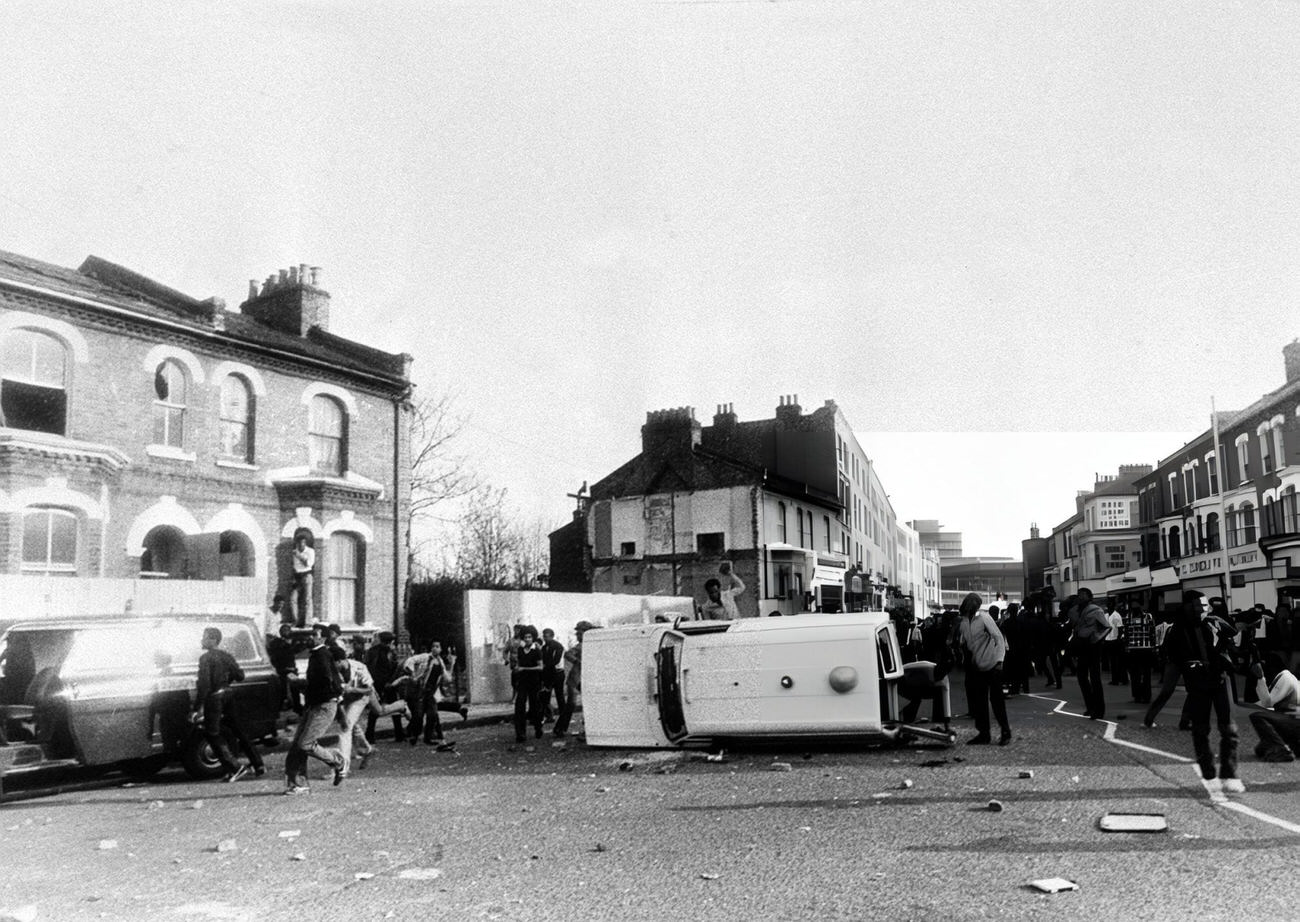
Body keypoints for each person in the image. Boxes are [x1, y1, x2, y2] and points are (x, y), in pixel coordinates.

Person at [1166, 590, 1242, 791]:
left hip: (1220, 679)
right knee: (1201, 729)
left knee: (1229, 728)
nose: (1204, 609)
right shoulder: (1178, 629)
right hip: (1198, 683)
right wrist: (1189, 666)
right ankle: (1209, 775)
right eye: (1199, 605)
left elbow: (1233, 639)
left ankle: (1230, 773)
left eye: (1205, 605)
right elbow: (1171, 654)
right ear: (1188, 607)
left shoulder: (1214, 622)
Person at [193, 627, 263, 782]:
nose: (202, 640)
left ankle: (235, 767)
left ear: (213, 640)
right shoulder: (226, 656)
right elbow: (240, 675)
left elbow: (204, 685)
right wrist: (225, 682)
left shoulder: (205, 658)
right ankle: (258, 764)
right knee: (238, 729)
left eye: (204, 637)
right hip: (228, 695)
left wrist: (196, 708)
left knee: (212, 733)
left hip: (214, 698)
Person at [284, 623, 346, 795]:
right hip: (314, 705)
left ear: (323, 638)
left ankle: (337, 761)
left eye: (314, 634)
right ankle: (298, 783)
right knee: (298, 746)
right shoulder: (316, 654)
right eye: (310, 634)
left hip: (324, 706)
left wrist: (299, 682)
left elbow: (326, 682)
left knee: (305, 744)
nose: (309, 637)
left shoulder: (322, 655)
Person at [957, 592, 1011, 746]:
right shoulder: (964, 623)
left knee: (996, 700)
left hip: (992, 664)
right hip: (977, 666)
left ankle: (1005, 732)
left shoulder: (984, 618)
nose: (971, 606)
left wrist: (1000, 660)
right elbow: (965, 643)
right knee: (980, 701)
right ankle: (984, 734)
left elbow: (998, 638)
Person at [1246, 653, 1300, 763]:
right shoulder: (1285, 677)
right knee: (1260, 750)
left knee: (1257, 716)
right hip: (1293, 722)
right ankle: (1290, 746)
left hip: (1296, 723)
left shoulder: (1285, 677)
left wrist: (1260, 677)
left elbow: (1266, 705)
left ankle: (1283, 751)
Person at [1071, 588, 1110, 720]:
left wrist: (1097, 638)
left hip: (1093, 646)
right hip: (1081, 646)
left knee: (1095, 678)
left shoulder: (1096, 610)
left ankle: (1098, 709)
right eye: (1079, 595)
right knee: (1081, 677)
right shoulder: (1076, 611)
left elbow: (1107, 626)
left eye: (1083, 595)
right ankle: (1090, 706)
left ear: (1089, 596)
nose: (1080, 597)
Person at [554, 621, 595, 738]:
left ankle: (561, 728)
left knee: (583, 705)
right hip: (575, 679)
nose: (577, 635)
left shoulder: (588, 644)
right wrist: (579, 662)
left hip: (583, 679)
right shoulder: (581, 646)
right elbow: (567, 654)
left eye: (579, 633)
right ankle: (560, 728)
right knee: (572, 704)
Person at [364, 631, 405, 743]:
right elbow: (395, 668)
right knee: (394, 708)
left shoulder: (374, 651)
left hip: (381, 683)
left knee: (376, 708)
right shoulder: (389, 652)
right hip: (385, 684)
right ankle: (398, 733)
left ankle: (370, 734)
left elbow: (369, 667)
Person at [513, 627, 544, 743]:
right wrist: (517, 669)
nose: (527, 639)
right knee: (519, 705)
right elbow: (519, 663)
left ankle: (538, 727)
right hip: (522, 681)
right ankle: (520, 733)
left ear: (533, 638)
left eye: (529, 637)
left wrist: (524, 668)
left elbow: (540, 667)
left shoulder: (537, 650)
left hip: (534, 681)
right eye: (525, 637)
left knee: (535, 706)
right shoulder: (521, 650)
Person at [1122, 602, 1156, 704]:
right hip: (1146, 648)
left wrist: (1126, 647)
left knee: (1135, 674)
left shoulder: (1128, 617)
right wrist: (1154, 646)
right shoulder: (1149, 617)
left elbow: (1126, 633)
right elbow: (1152, 631)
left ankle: (1137, 695)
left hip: (1133, 649)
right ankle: (1146, 696)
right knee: (1146, 673)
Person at [267, 623, 300, 713]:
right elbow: (274, 651)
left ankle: (296, 706)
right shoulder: (276, 642)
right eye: (283, 630)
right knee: (282, 689)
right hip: (281, 669)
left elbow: (298, 649)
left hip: (291, 669)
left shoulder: (293, 642)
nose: (285, 632)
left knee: (294, 689)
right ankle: (282, 706)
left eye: (287, 630)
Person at [539, 628, 566, 724]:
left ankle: (563, 717)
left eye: (547, 637)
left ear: (552, 636)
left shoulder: (558, 646)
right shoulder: (544, 647)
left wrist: (545, 666)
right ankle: (549, 715)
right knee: (546, 696)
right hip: (548, 673)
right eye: (544, 637)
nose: (545, 639)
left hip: (557, 673)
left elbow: (556, 661)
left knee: (559, 696)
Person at [289, 534, 315, 627]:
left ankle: (308, 622)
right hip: (297, 576)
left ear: (305, 543)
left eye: (302, 543)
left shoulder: (310, 551)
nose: (300, 545)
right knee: (293, 598)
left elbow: (309, 564)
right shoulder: (294, 552)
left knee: (307, 598)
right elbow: (293, 566)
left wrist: (299, 556)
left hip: (307, 575)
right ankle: (295, 620)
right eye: (298, 543)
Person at [1105, 601, 1127, 686]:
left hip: (1115, 640)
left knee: (1118, 662)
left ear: (1114, 606)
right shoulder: (1106, 615)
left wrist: (1118, 639)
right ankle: (1115, 679)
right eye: (1108, 605)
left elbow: (1120, 629)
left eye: (1111, 605)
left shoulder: (1116, 615)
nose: (1109, 607)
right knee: (1112, 662)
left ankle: (1121, 679)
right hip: (1108, 640)